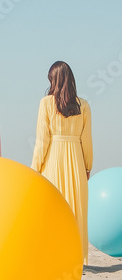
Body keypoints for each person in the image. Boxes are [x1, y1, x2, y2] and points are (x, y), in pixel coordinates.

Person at [32, 61, 92, 263]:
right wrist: (87, 167)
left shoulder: (46, 103)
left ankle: (54, 256)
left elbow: (42, 141)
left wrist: (35, 169)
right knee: (77, 211)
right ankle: (75, 257)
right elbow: (87, 141)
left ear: (53, 80)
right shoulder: (83, 105)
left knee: (54, 210)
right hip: (76, 160)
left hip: (53, 161)